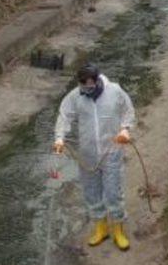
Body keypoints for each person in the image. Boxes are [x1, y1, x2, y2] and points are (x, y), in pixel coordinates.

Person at [53, 62, 135, 251]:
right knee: (91, 192)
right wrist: (59, 138)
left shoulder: (114, 91)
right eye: (84, 85)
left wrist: (125, 130)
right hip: (88, 154)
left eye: (91, 83)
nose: (88, 87)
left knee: (113, 192)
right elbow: (64, 116)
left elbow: (128, 111)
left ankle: (118, 229)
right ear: (80, 83)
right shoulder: (75, 97)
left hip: (112, 151)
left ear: (97, 79)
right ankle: (101, 228)